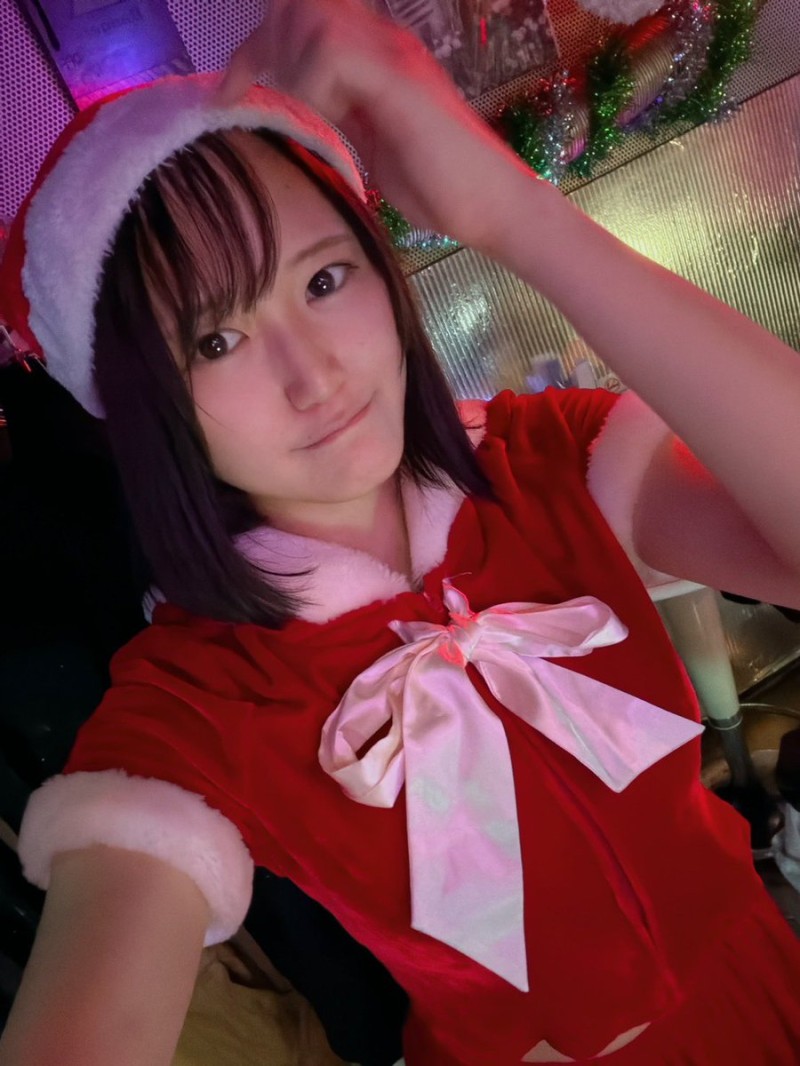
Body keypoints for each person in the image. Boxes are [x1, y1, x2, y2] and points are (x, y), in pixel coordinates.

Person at [1, 0, 800, 1062]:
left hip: (768, 985)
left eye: (324, 279)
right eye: (216, 340)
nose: (315, 375)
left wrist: (514, 215)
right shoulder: (196, 703)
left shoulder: (551, 468)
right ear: (142, 404)